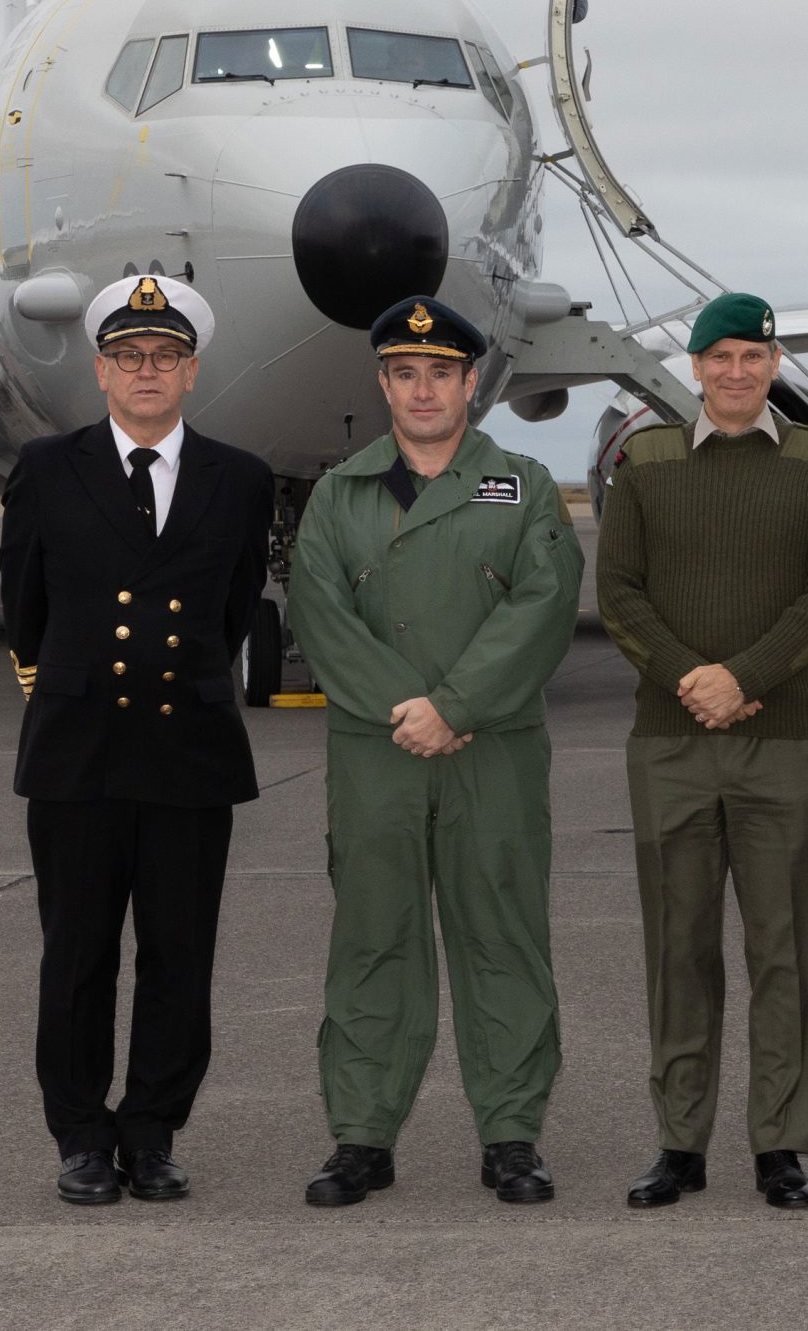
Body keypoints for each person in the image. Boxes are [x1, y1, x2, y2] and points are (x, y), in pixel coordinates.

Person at [288, 296, 584, 1208]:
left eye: (442, 373)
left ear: (469, 384)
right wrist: (403, 708)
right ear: (383, 383)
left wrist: (453, 706)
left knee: (502, 936)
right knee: (375, 937)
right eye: (405, 373)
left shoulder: (525, 486)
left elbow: (545, 602)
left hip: (489, 748)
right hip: (375, 751)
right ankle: (363, 1136)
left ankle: (511, 1134)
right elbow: (320, 612)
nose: (424, 389)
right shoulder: (338, 495)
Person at [0, 275, 273, 1205]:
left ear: (191, 372)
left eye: (163, 357)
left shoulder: (239, 479)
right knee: (76, 954)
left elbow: (234, 606)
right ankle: (80, 1135)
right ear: (102, 369)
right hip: (78, 751)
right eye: (127, 357)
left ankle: (152, 1130)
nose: (145, 371)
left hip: (188, 748)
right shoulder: (46, 468)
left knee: (178, 955)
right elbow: (23, 605)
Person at [598, 291, 808, 1211]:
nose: (738, 372)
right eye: (721, 358)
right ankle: (680, 1140)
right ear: (697, 368)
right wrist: (691, 678)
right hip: (671, 741)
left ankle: (780, 1143)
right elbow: (620, 590)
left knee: (787, 948)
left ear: (776, 365)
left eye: (754, 356)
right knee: (679, 945)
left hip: (780, 741)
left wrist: (743, 678)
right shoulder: (646, 461)